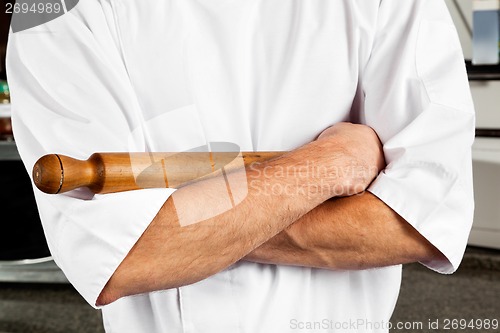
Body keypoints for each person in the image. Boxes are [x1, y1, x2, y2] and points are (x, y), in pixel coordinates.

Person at [6, 0, 475, 332]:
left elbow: (415, 221)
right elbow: (123, 257)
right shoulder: (50, 10)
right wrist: (332, 163)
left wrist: (179, 225)